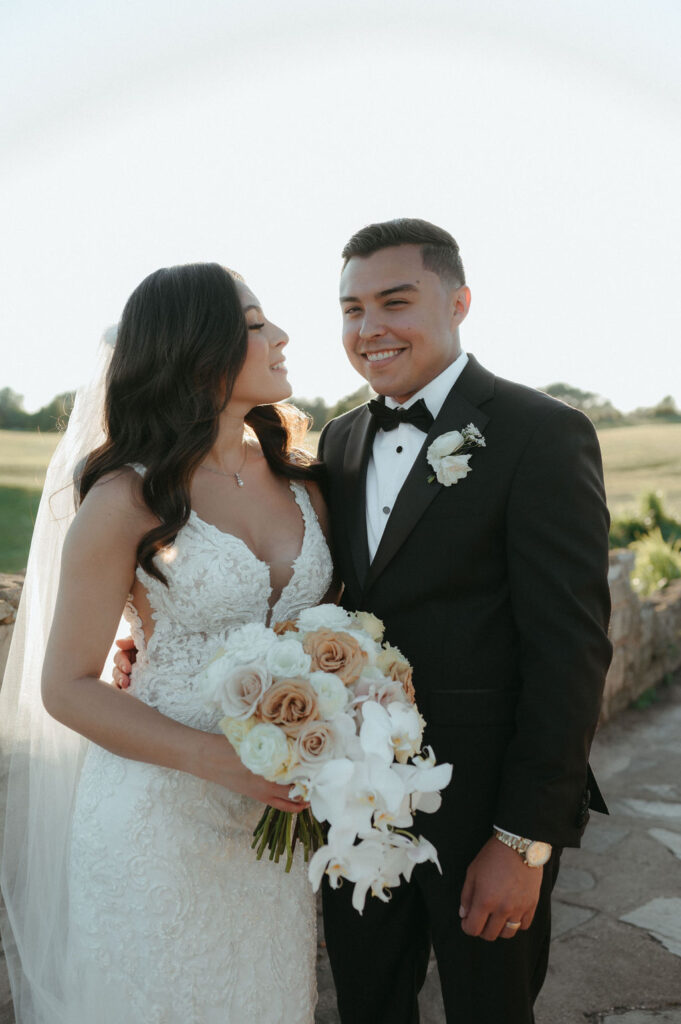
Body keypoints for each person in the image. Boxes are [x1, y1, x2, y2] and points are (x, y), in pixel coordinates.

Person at [0, 262, 335, 1024]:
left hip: (267, 828)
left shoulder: (305, 484)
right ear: (197, 349)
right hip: (153, 821)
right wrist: (223, 760)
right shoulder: (126, 498)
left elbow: (333, 631)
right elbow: (68, 686)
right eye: (254, 324)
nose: (280, 337)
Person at [315, 219, 612, 1023]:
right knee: (366, 1005)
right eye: (350, 309)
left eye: (394, 301)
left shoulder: (539, 433)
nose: (368, 328)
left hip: (486, 807)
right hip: (357, 805)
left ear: (459, 302)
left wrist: (522, 840)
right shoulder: (338, 442)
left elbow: (570, 648)